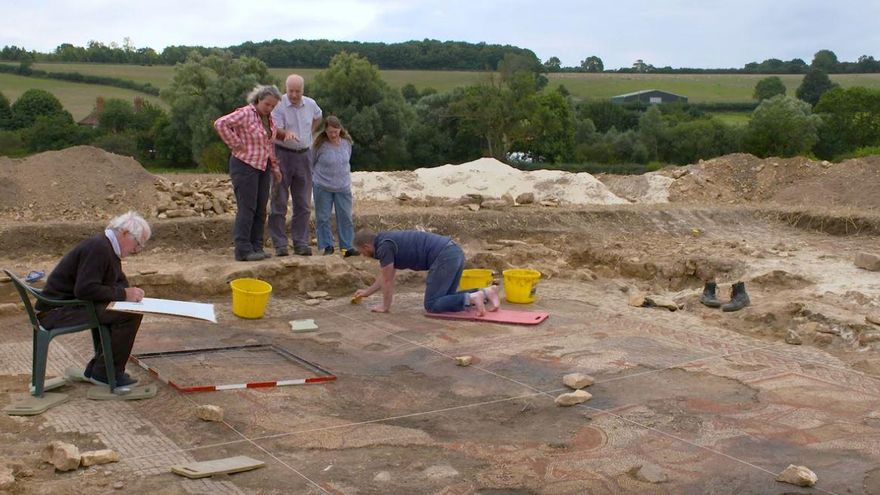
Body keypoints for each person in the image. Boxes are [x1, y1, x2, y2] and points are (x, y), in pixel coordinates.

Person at [36, 211, 151, 388]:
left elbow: (117, 281)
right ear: (125, 233)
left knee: (121, 310)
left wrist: (130, 293)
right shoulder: (99, 248)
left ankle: (99, 370)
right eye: (137, 243)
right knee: (129, 315)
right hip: (55, 312)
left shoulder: (108, 248)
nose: (136, 251)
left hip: (67, 306)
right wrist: (124, 295)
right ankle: (105, 374)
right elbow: (85, 289)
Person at [214, 85, 289, 262]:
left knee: (261, 209)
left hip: (263, 167)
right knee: (247, 208)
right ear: (258, 99)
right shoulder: (246, 113)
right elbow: (220, 123)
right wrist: (235, 143)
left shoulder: (269, 120)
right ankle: (243, 250)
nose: (269, 108)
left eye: (272, 106)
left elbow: (268, 145)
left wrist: (275, 168)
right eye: (267, 104)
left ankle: (257, 246)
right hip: (244, 165)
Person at [352, 230, 501, 315]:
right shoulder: (386, 241)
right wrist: (367, 292)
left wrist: (385, 306)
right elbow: (386, 276)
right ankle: (485, 293)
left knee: (431, 304)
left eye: (362, 252)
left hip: (444, 256)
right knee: (444, 299)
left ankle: (472, 297)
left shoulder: (384, 247)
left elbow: (387, 281)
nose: (364, 255)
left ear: (366, 246)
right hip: (454, 251)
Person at [269, 74, 323, 257]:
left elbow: (318, 117)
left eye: (297, 91)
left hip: (305, 155)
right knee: (279, 201)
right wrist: (286, 135)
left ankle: (301, 243)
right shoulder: (278, 105)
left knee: (303, 203)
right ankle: (280, 244)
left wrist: (310, 132)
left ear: (303, 90)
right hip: (283, 155)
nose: (293, 95)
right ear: (286, 89)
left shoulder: (311, 104)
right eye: (290, 91)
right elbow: (274, 130)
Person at [312, 116, 359, 257]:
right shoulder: (319, 145)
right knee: (323, 217)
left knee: (345, 216)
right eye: (330, 132)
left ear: (340, 130)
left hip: (343, 186)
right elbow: (311, 162)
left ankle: (347, 246)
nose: (333, 134)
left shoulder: (346, 143)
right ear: (325, 131)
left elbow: (347, 160)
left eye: (336, 131)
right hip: (322, 186)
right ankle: (327, 246)